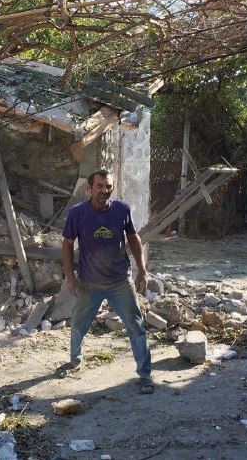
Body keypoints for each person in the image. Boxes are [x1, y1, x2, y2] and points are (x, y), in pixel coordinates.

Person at [59, 169, 154, 394]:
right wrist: (70, 277)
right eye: (100, 186)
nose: (104, 190)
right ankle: (75, 359)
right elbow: (67, 244)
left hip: (120, 281)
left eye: (108, 186)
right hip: (89, 282)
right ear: (89, 188)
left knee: (135, 325)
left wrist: (142, 271)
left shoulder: (121, 210)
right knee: (79, 323)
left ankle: (145, 374)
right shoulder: (77, 213)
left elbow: (134, 238)